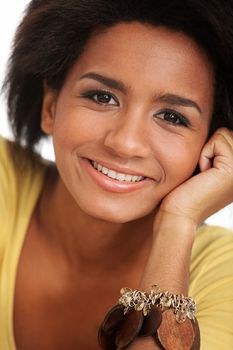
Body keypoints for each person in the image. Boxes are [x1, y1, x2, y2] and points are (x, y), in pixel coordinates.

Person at [1, 0, 233, 349]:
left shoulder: (224, 277)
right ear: (51, 106)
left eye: (172, 117)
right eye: (102, 96)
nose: (125, 143)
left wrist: (178, 223)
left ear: (212, 143)